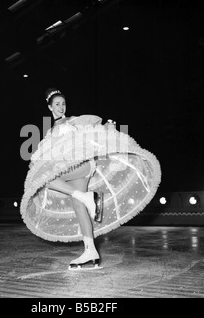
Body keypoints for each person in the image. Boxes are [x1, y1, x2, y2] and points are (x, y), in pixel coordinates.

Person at [21, 88, 161, 270]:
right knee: (78, 205)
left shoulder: (73, 121)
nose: (61, 107)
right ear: (49, 107)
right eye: (57, 104)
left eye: (63, 104)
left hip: (82, 165)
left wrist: (109, 126)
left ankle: (87, 198)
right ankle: (90, 251)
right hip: (74, 172)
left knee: (44, 179)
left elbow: (95, 128)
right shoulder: (50, 133)